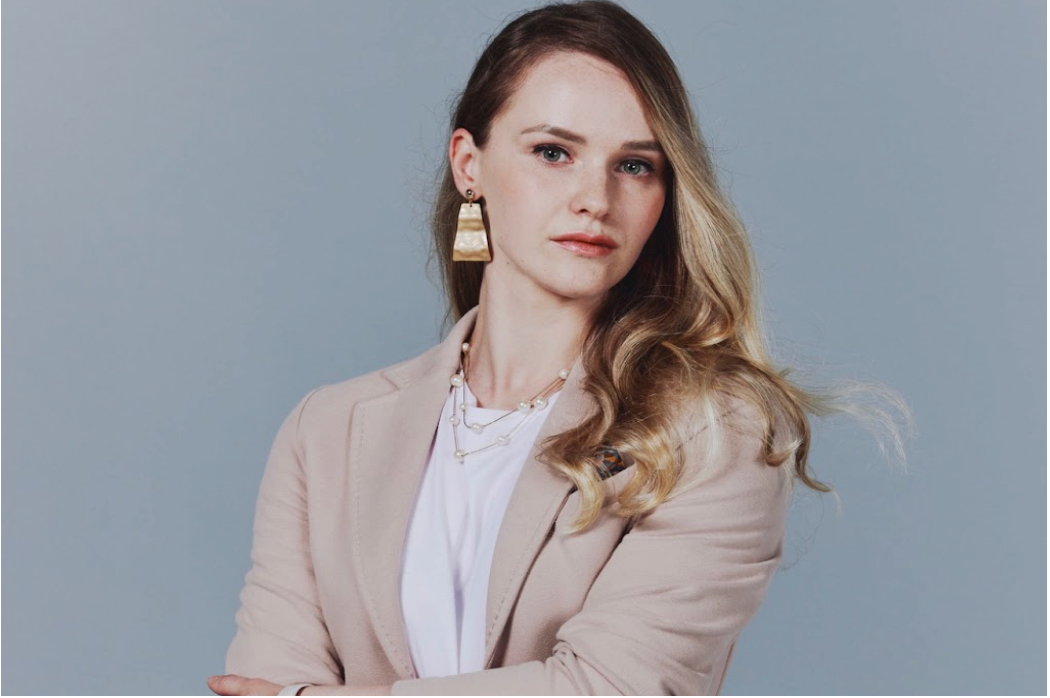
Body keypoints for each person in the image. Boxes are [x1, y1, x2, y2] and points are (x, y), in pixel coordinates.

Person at [207, 1, 911, 695]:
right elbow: (260, 682)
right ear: (469, 165)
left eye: (634, 165)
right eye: (553, 152)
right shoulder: (327, 432)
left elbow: (608, 688)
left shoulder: (713, 431)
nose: (595, 198)